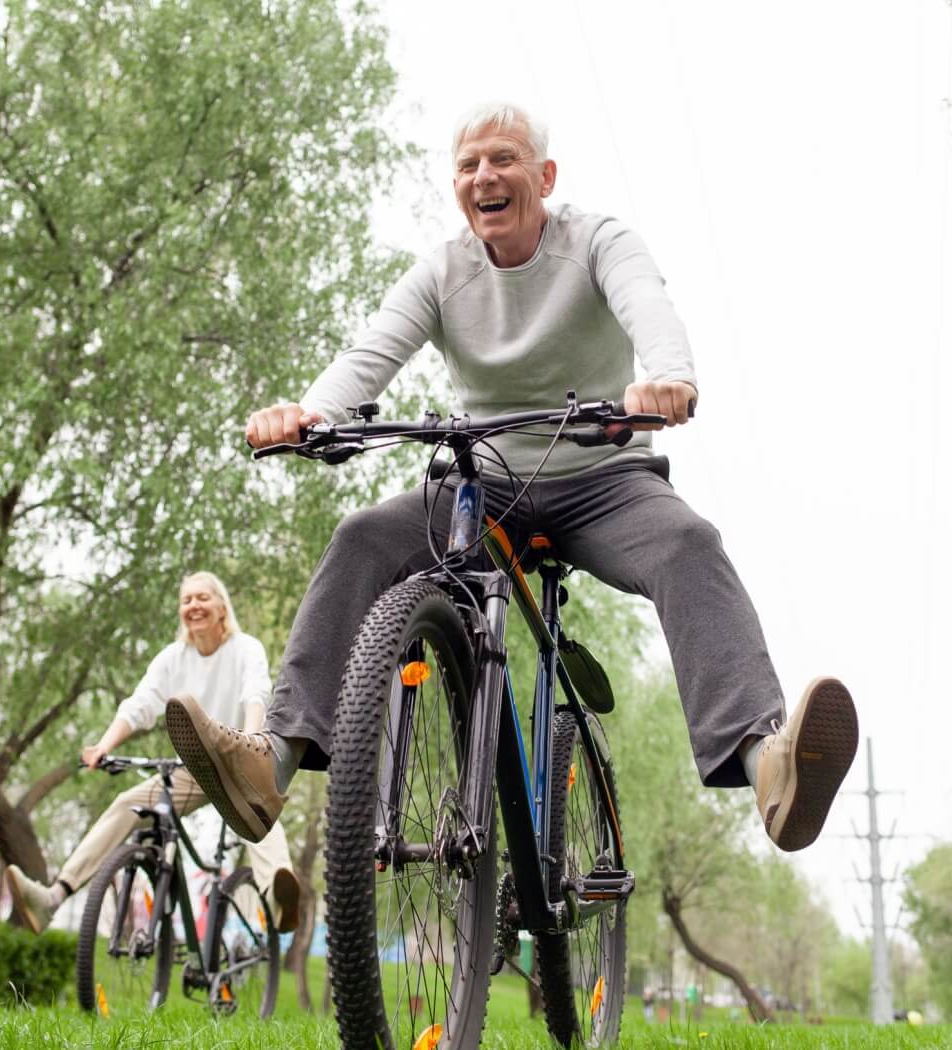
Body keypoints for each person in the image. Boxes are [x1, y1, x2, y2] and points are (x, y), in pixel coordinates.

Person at [165, 102, 858, 857]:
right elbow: (370, 356)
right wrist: (310, 414)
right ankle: (274, 760)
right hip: (482, 484)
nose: (484, 177)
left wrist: (668, 380)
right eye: (468, 166)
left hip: (604, 478)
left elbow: (649, 309)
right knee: (363, 537)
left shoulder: (597, 242)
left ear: (544, 176)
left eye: (503, 160)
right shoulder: (443, 272)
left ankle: (770, 765)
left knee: (690, 543)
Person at [5, 571, 300, 934]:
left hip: (239, 761)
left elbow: (255, 695)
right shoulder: (173, 658)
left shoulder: (246, 648)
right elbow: (140, 705)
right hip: (194, 768)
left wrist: (253, 744)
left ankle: (277, 898)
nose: (194, 605)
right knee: (127, 804)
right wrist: (104, 745)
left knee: (260, 815)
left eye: (202, 598)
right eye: (187, 600)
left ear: (222, 607)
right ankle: (51, 898)